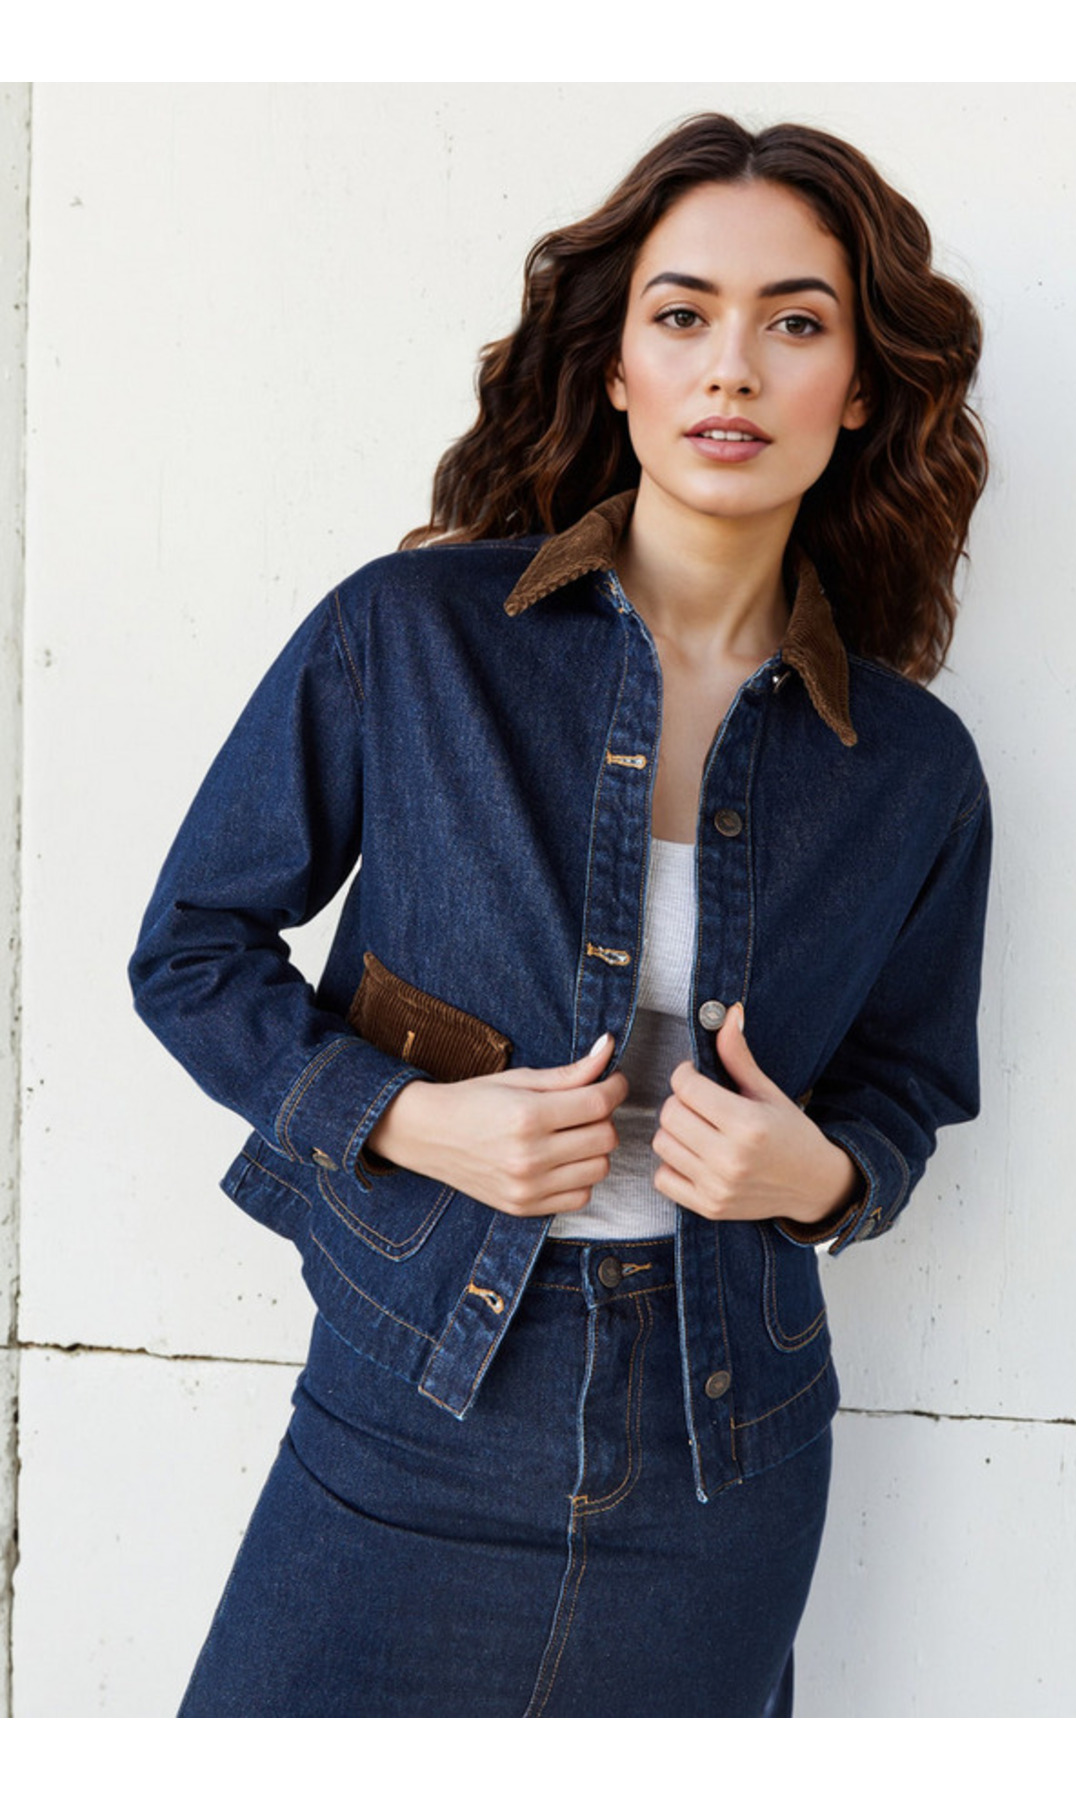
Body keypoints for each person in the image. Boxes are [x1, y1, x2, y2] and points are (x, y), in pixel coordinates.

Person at [129, 111, 991, 1717]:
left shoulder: (910, 767)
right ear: (614, 369)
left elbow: (908, 1086)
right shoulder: (411, 638)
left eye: (795, 324)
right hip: (409, 1408)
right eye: (684, 315)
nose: (732, 368)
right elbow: (191, 950)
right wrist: (404, 1119)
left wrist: (821, 1178)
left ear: (861, 388)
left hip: (726, 1451)